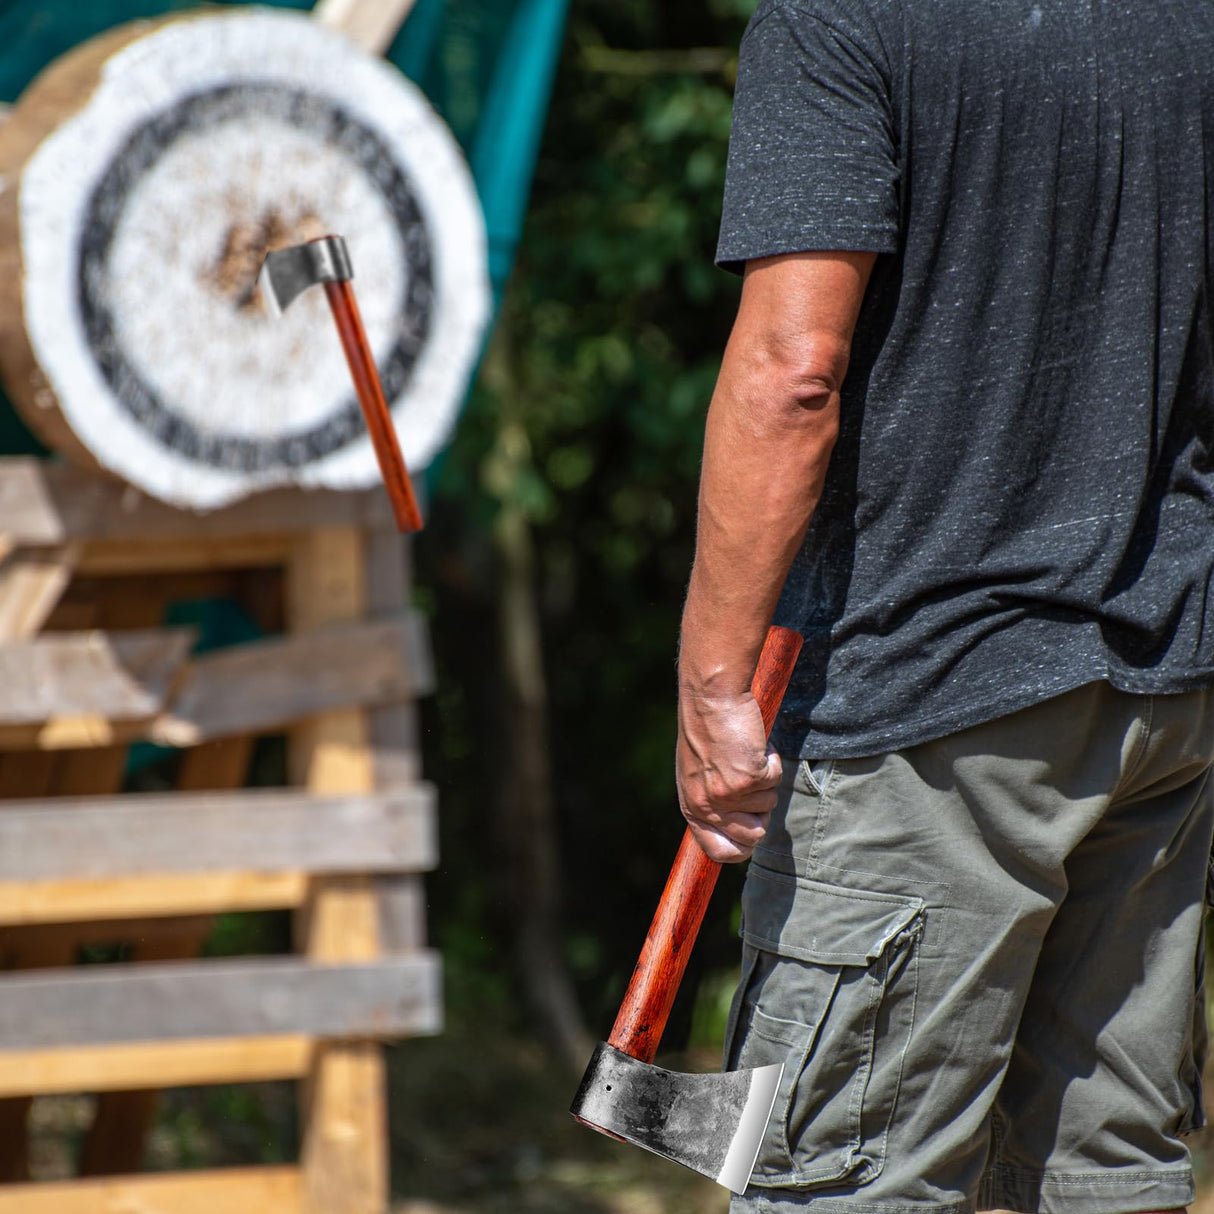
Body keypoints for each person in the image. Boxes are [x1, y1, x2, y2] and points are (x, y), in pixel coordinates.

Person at [674, 2, 1214, 1212]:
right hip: (1164, 692)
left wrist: (712, 684)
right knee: (1099, 1180)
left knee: (845, 1189)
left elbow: (790, 371)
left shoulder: (838, 22)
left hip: (921, 718)